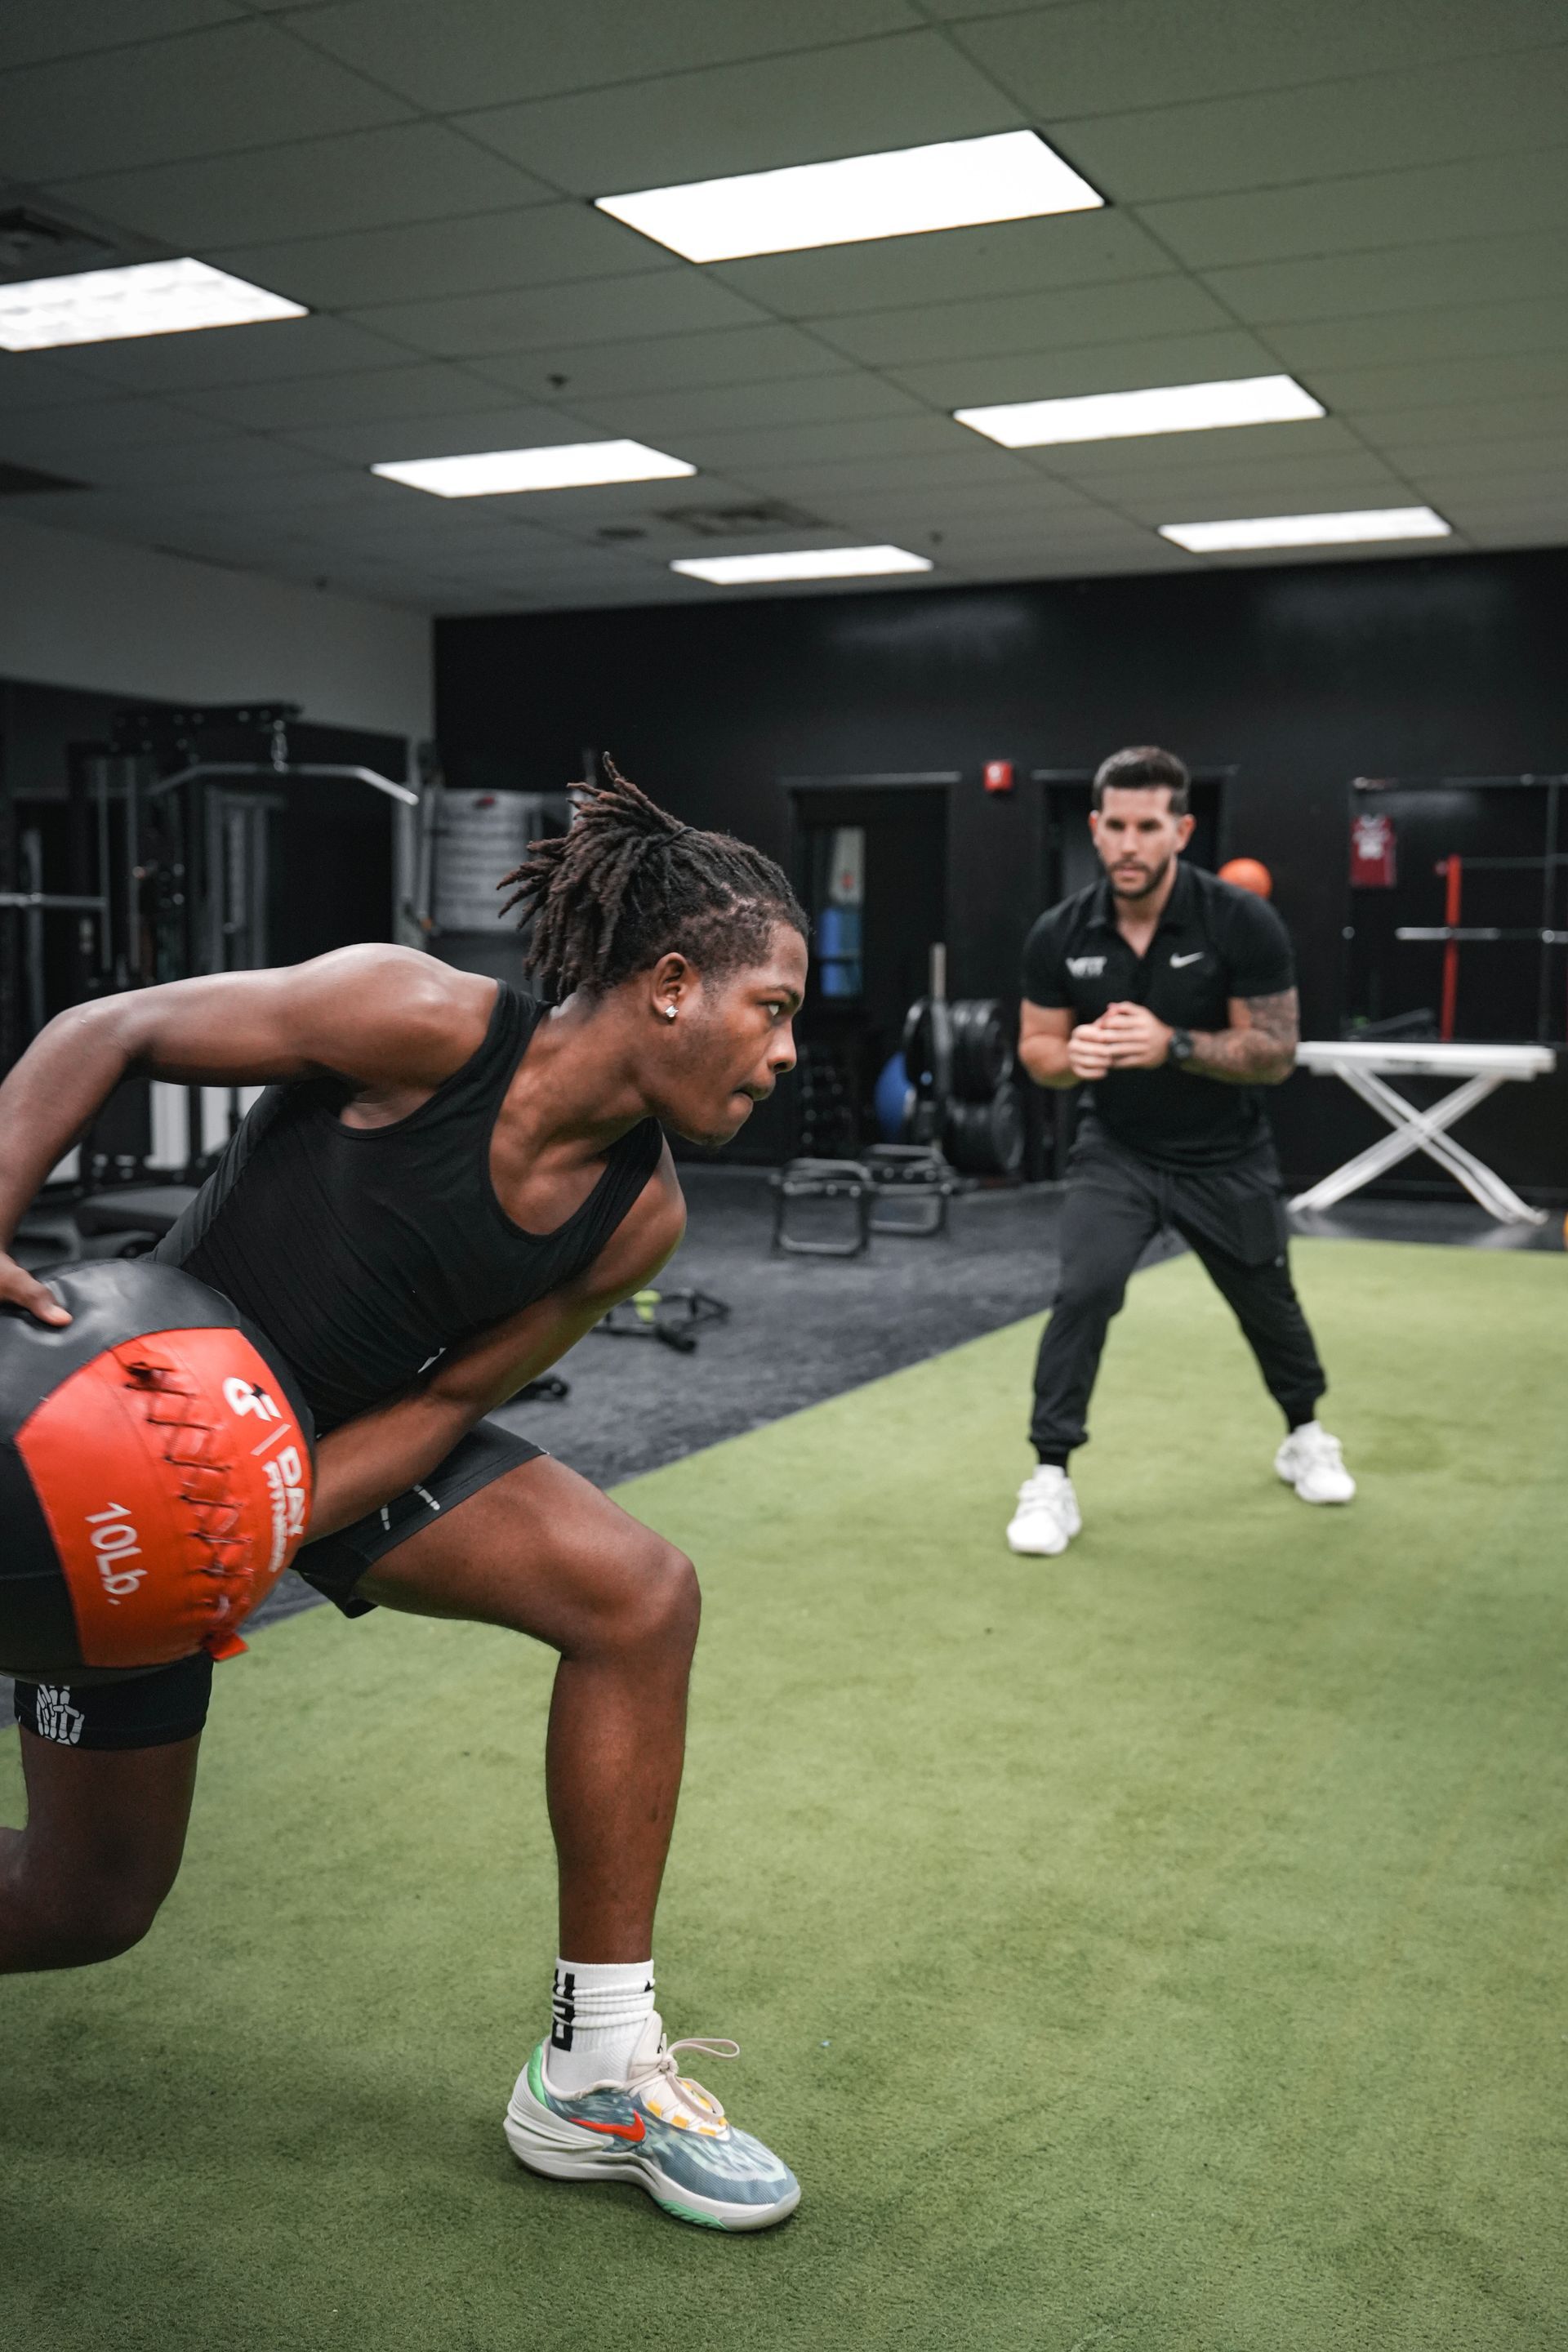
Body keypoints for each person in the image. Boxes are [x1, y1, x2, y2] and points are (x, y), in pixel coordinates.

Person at [0, 765, 806, 2232]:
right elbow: (101, 1029)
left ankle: (596, 2073)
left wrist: (250, 1525)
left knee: (640, 1596)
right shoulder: (421, 1021)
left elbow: (443, 1407)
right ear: (675, 985)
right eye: (776, 1010)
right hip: (103, 1414)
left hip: (312, 1462)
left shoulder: (641, 1218)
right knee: (85, 1904)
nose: (787, 1052)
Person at [1008, 745, 1354, 1557]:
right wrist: (1075, 1061)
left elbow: (1274, 1051)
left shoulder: (1241, 920)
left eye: (1148, 826)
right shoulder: (1061, 932)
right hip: (1118, 1150)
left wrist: (1173, 1043)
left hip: (1225, 1155)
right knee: (1084, 1291)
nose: (1130, 843)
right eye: (1115, 826)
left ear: (1181, 830)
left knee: (1269, 1303)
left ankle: (1303, 1431)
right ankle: (1050, 1477)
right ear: (1095, 829)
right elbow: (1037, 1049)